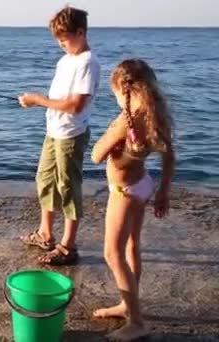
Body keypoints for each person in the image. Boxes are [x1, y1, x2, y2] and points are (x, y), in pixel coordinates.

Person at [90, 58, 175, 341]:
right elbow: (169, 154)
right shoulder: (156, 113)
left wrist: (111, 141)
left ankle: (136, 322)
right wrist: (163, 191)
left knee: (112, 254)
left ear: (122, 90)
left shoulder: (127, 120)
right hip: (143, 184)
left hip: (123, 193)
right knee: (131, 246)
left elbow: (95, 155)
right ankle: (128, 304)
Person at [18, 5, 100, 265]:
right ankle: (45, 233)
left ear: (80, 32)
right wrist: (37, 101)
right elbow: (59, 99)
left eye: (65, 39)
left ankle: (68, 246)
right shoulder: (66, 60)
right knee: (44, 179)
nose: (61, 45)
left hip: (71, 135)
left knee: (68, 187)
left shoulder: (88, 62)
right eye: (58, 41)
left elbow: (75, 104)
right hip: (53, 131)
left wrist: (37, 100)